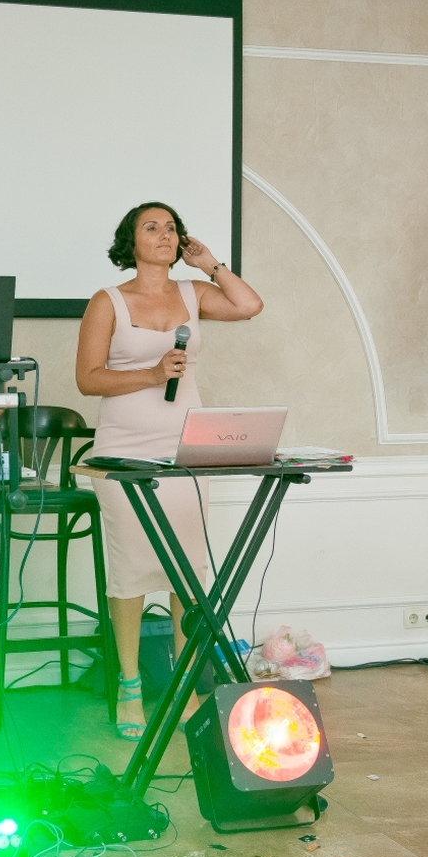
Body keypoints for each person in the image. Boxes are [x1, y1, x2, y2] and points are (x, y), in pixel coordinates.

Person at [75, 202, 264, 740]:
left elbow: (249, 305)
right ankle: (129, 685)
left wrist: (210, 264)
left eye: (172, 228)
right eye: (151, 227)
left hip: (186, 448)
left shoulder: (193, 292)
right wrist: (153, 373)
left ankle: (184, 687)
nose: (164, 234)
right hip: (123, 449)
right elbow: (88, 379)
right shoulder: (107, 301)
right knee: (131, 569)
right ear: (130, 241)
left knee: (187, 569)